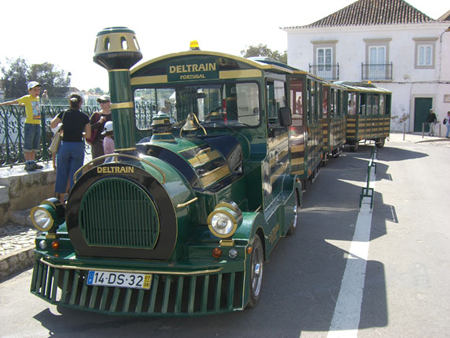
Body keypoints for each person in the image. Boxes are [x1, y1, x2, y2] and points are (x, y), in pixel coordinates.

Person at [50, 93, 91, 204]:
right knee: (76, 174)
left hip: (65, 145)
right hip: (77, 145)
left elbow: (52, 124)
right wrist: (80, 134)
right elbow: (88, 135)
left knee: (62, 172)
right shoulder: (84, 117)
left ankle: (60, 200)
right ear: (80, 103)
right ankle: (73, 200)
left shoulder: (63, 114)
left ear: (70, 103)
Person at [0, 81, 43, 171]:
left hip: (37, 124)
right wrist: (2, 104)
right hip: (30, 124)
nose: (37, 92)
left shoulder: (37, 98)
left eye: (38, 90)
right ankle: (28, 163)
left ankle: (32, 161)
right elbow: (14, 101)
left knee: (35, 145)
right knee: (28, 144)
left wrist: (23, 104)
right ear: (29, 91)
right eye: (35, 90)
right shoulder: (27, 97)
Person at [89, 95, 112, 162]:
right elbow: (89, 128)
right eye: (100, 102)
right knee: (98, 163)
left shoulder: (113, 114)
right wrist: (99, 122)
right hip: (98, 143)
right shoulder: (96, 115)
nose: (101, 104)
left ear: (109, 103)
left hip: (111, 142)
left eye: (104, 102)